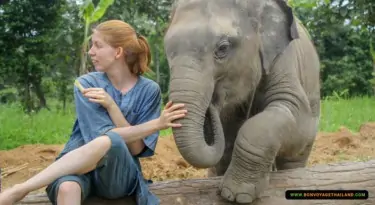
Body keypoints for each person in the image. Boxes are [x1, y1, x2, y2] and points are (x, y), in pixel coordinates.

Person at [0, 20, 187, 205]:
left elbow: (135, 148)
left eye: (98, 45)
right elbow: (98, 137)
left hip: (117, 176)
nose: (91, 52)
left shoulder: (149, 90)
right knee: (67, 187)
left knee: (111, 140)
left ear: (118, 52)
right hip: (78, 168)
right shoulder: (86, 84)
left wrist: (112, 107)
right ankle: (21, 189)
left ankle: (20, 190)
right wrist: (156, 124)